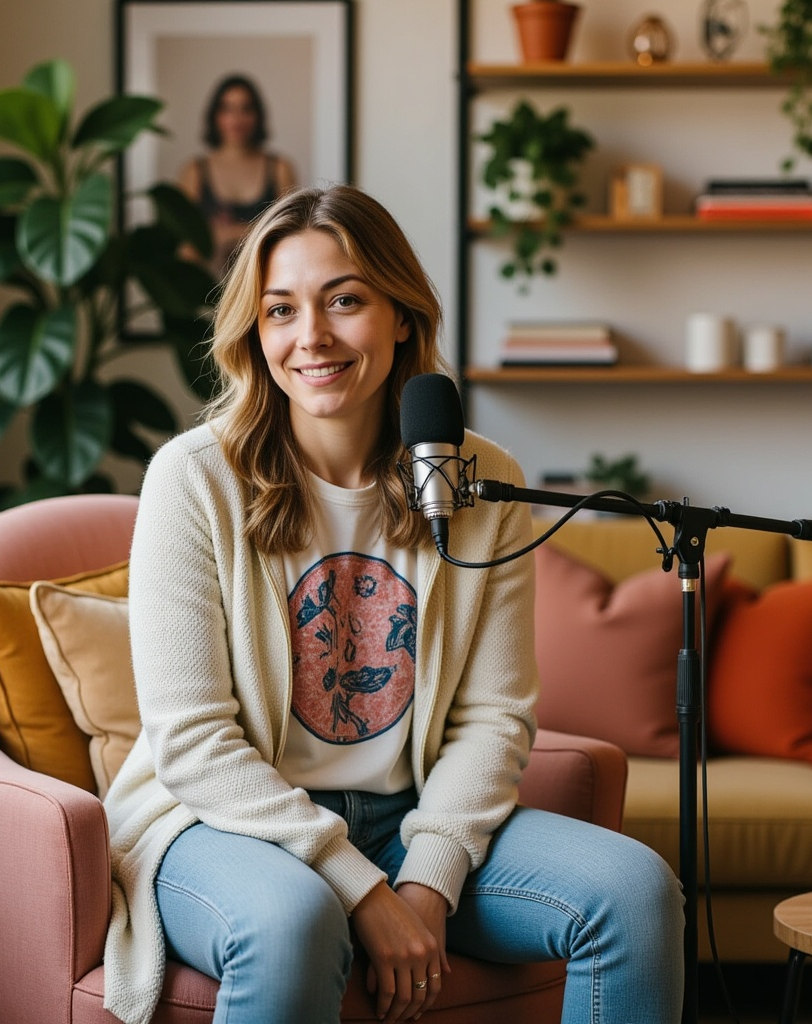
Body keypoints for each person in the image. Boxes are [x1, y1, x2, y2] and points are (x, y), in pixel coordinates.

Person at [102, 184, 685, 1024]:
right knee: (292, 919)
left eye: (345, 300)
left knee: (634, 891)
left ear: (402, 314)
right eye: (280, 310)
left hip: (409, 814)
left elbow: (495, 716)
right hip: (221, 821)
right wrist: (364, 893)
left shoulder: (480, 480)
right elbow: (192, 743)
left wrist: (428, 880)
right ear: (253, 331)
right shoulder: (194, 480)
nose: (312, 337)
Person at [180, 73, 296, 275]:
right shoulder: (195, 171)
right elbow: (185, 248)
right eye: (227, 108)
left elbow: (291, 236)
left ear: (258, 115)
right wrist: (254, 230)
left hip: (264, 282)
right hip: (207, 290)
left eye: (246, 108)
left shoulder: (280, 168)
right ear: (215, 116)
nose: (237, 118)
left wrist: (225, 233)